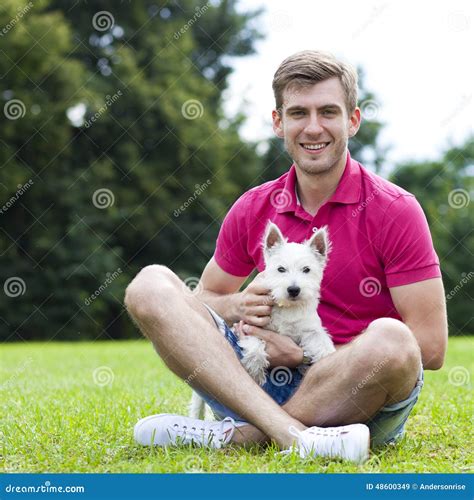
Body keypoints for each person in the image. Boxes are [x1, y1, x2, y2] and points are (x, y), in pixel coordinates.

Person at [125, 50, 447, 462]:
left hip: (351, 394)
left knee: (393, 339)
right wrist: (238, 304)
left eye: (328, 112)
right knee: (150, 284)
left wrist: (308, 352)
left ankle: (245, 435)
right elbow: (203, 301)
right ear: (279, 122)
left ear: (353, 120)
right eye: (298, 113)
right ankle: (290, 435)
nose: (314, 128)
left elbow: (430, 347)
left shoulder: (395, 209)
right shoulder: (253, 207)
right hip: (255, 380)